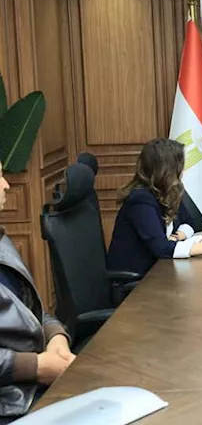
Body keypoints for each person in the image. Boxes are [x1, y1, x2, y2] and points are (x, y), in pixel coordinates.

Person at [0, 162, 75, 423]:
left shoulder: (2, 242)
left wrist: (57, 338)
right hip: (10, 405)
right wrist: (37, 367)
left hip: (35, 387)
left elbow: (32, 310)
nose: (6, 185)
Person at [107, 139, 202, 276]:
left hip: (162, 270)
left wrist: (177, 236)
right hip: (139, 279)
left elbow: (190, 222)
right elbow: (162, 249)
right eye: (180, 165)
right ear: (167, 169)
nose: (183, 170)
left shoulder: (168, 191)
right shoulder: (140, 200)